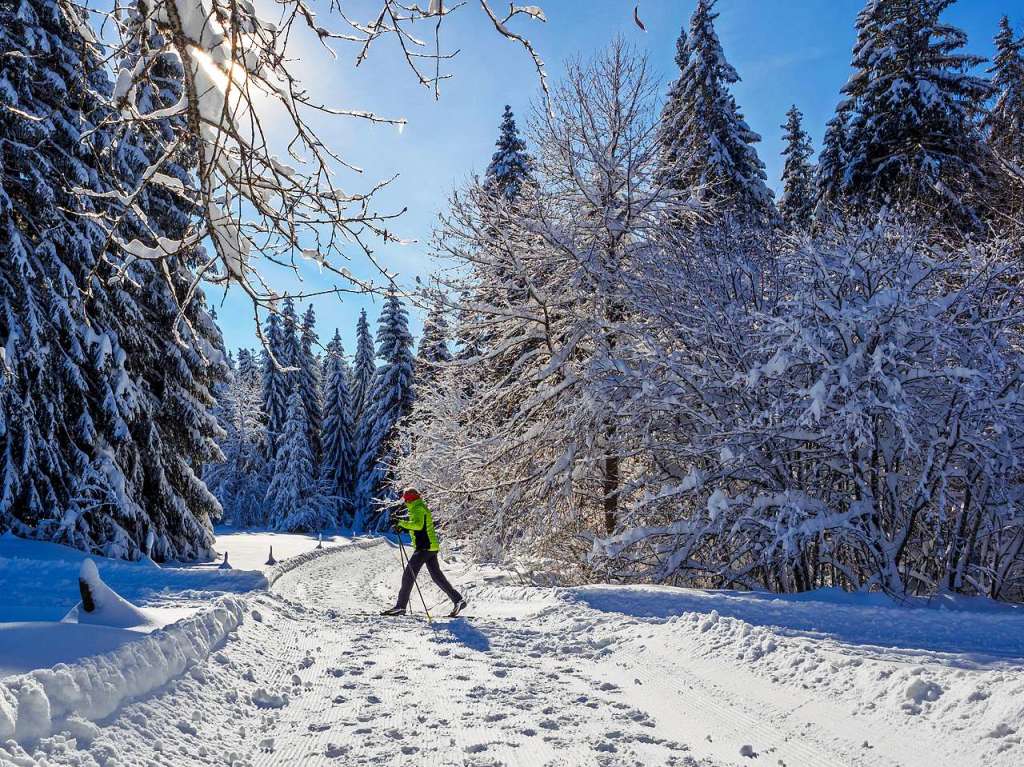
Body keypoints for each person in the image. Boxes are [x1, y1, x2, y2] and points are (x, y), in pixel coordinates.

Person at [381, 487, 468, 618]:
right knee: (437, 576)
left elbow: (418, 526)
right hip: (430, 547)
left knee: (408, 575)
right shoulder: (419, 507)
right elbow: (418, 526)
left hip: (424, 548)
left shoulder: (417, 508)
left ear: (409, 499)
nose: (404, 501)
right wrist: (401, 526)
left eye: (405, 498)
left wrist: (401, 523)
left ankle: (400, 607)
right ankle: (458, 600)